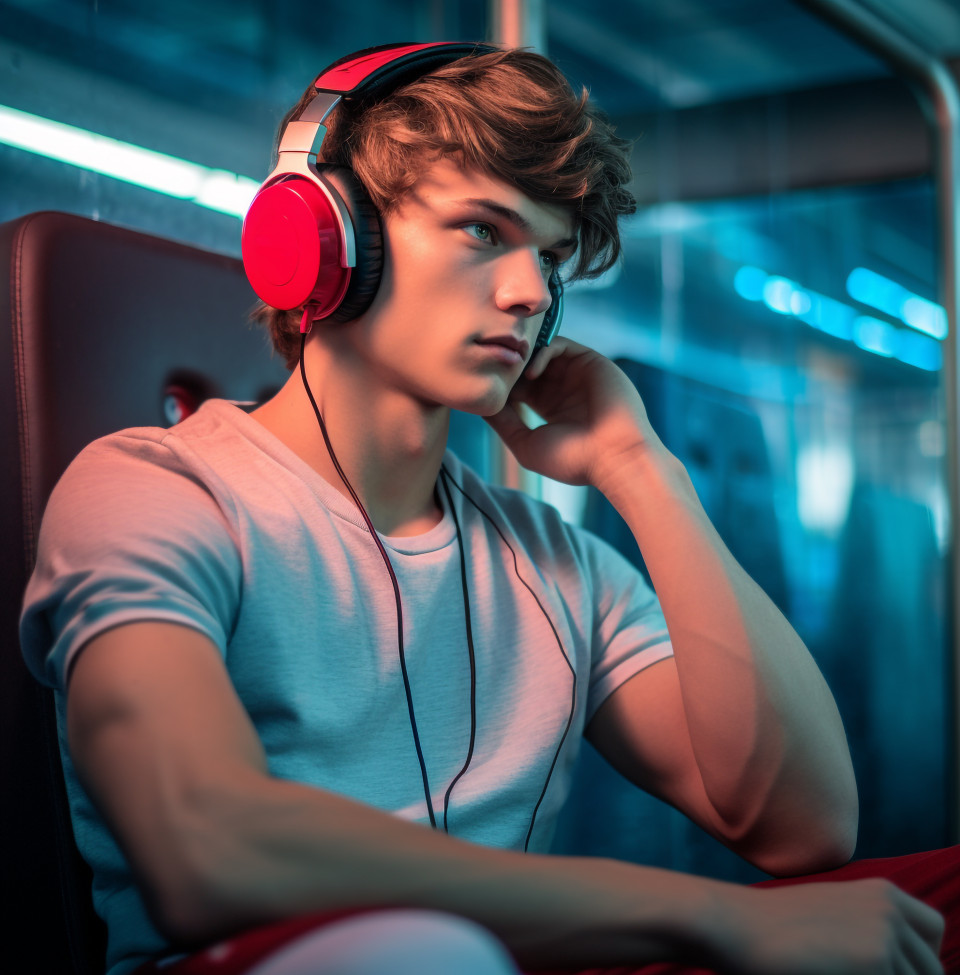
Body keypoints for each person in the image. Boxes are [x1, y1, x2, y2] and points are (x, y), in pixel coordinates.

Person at [19, 40, 956, 975]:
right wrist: (711, 918)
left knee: (930, 904)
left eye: (549, 257)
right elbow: (207, 847)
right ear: (326, 235)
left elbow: (804, 828)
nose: (530, 292)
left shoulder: (553, 561)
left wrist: (642, 469)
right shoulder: (155, 489)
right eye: (481, 230)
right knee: (424, 949)